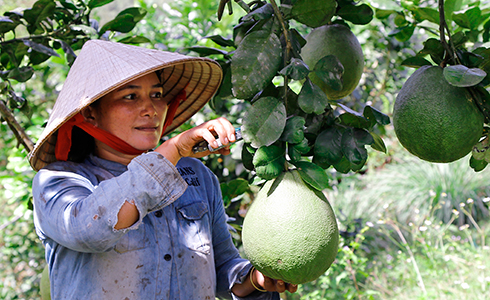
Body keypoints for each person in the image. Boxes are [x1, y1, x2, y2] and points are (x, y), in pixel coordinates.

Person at [29, 40, 297, 299]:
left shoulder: (197, 176)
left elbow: (222, 268)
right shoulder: (59, 181)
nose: (150, 109)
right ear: (90, 114)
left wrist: (254, 279)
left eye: (156, 95)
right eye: (131, 96)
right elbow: (89, 229)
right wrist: (173, 151)